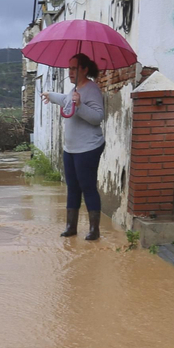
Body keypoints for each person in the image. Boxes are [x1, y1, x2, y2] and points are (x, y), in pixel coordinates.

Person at [42, 53, 106, 241]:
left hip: (88, 148)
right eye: (69, 68)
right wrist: (50, 96)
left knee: (88, 187)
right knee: (72, 187)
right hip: (70, 149)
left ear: (85, 70)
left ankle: (94, 230)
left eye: (74, 68)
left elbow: (97, 117)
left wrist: (79, 106)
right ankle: (71, 227)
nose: (70, 72)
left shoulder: (91, 89)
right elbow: (66, 101)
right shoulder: (75, 89)